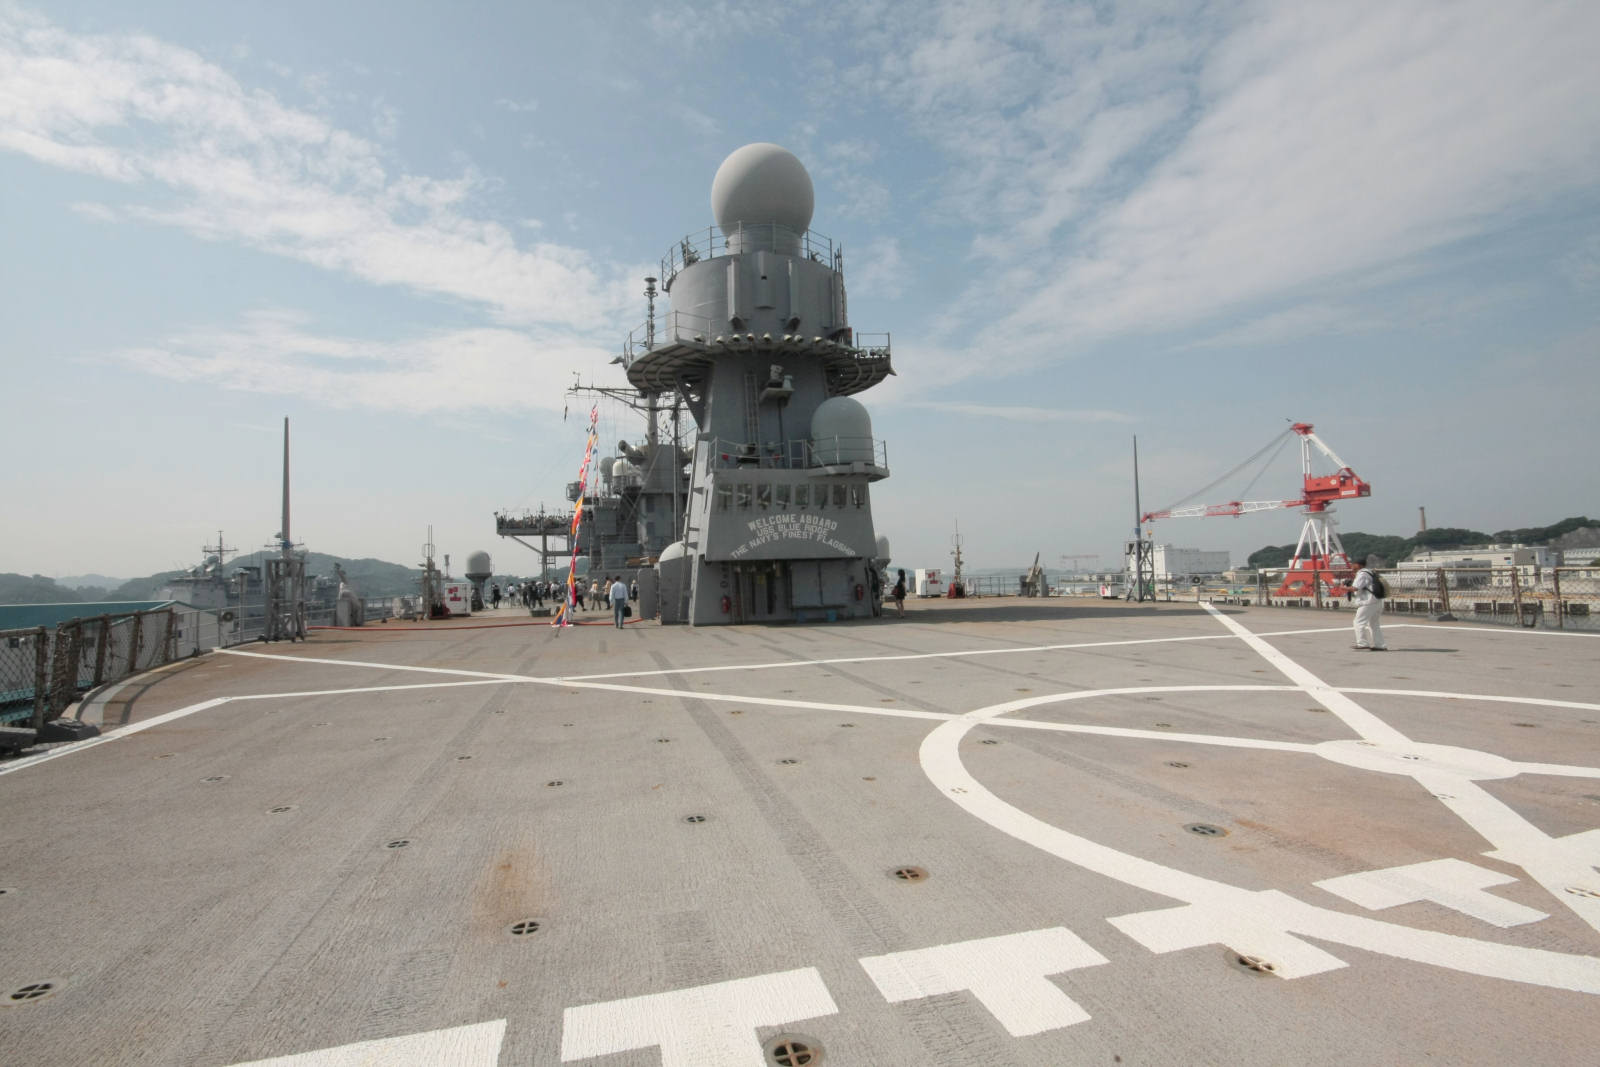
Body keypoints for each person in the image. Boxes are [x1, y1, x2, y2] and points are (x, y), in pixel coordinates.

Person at [1350, 556, 1388, 651]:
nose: (1351, 566)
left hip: (1368, 602)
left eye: (1353, 564)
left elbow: (1355, 588)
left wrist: (1342, 588)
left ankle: (1362, 643)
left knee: (1358, 622)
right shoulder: (1370, 572)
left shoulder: (1362, 574)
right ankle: (1380, 645)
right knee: (1374, 624)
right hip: (1377, 601)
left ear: (1358, 565)